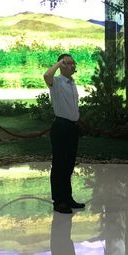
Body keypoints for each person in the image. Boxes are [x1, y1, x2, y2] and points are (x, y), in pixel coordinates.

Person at [44, 54, 85, 214]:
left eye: (73, 63)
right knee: (59, 165)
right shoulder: (56, 82)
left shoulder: (71, 82)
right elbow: (47, 75)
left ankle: (68, 198)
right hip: (61, 126)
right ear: (61, 65)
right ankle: (59, 201)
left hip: (72, 127)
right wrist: (59, 63)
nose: (72, 66)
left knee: (69, 165)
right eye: (68, 63)